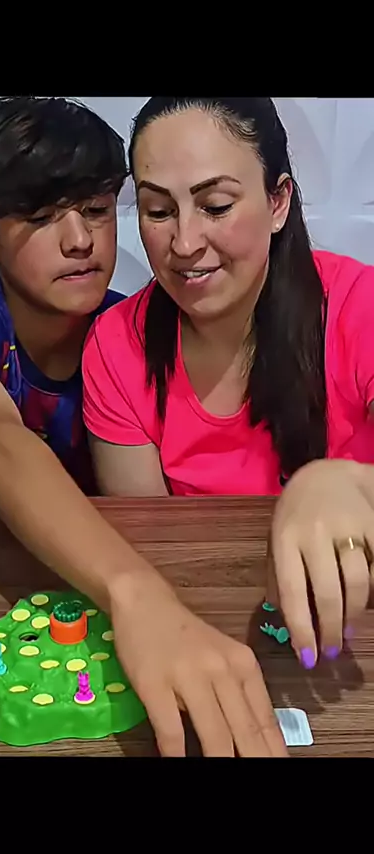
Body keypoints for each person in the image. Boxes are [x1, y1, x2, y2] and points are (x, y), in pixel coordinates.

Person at [0, 96, 287, 758]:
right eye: (40, 218)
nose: (79, 240)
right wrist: (136, 593)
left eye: (97, 211)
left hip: (71, 602)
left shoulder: (127, 331)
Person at [82, 96, 374, 680]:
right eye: (158, 211)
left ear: (278, 202)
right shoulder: (116, 345)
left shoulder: (358, 306)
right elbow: (149, 559)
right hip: (202, 641)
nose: (185, 243)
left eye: (215, 206)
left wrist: (349, 483)